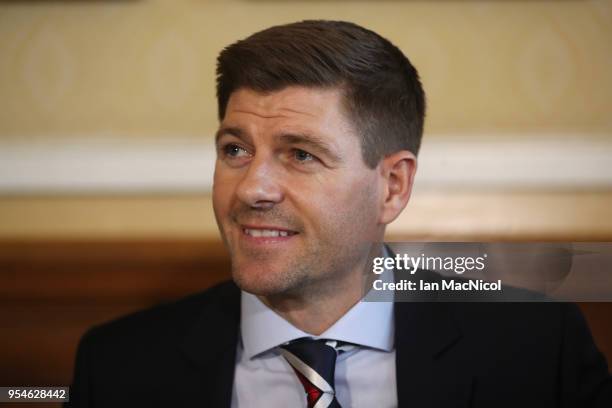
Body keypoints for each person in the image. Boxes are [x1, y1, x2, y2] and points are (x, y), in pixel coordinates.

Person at [66, 20, 611, 407]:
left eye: (301, 154)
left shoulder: (537, 347)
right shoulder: (118, 368)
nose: (252, 188)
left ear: (392, 187)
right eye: (235, 149)